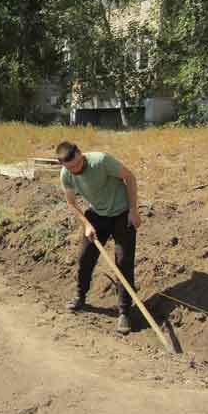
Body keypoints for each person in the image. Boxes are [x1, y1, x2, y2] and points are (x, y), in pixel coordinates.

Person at [56, 141, 142, 335]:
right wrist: (87, 224)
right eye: (70, 167)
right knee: (85, 257)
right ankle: (80, 296)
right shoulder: (66, 174)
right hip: (97, 215)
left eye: (77, 164)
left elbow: (130, 177)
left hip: (122, 214)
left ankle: (124, 312)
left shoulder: (102, 161)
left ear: (80, 153)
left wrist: (134, 210)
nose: (75, 170)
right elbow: (71, 203)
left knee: (123, 262)